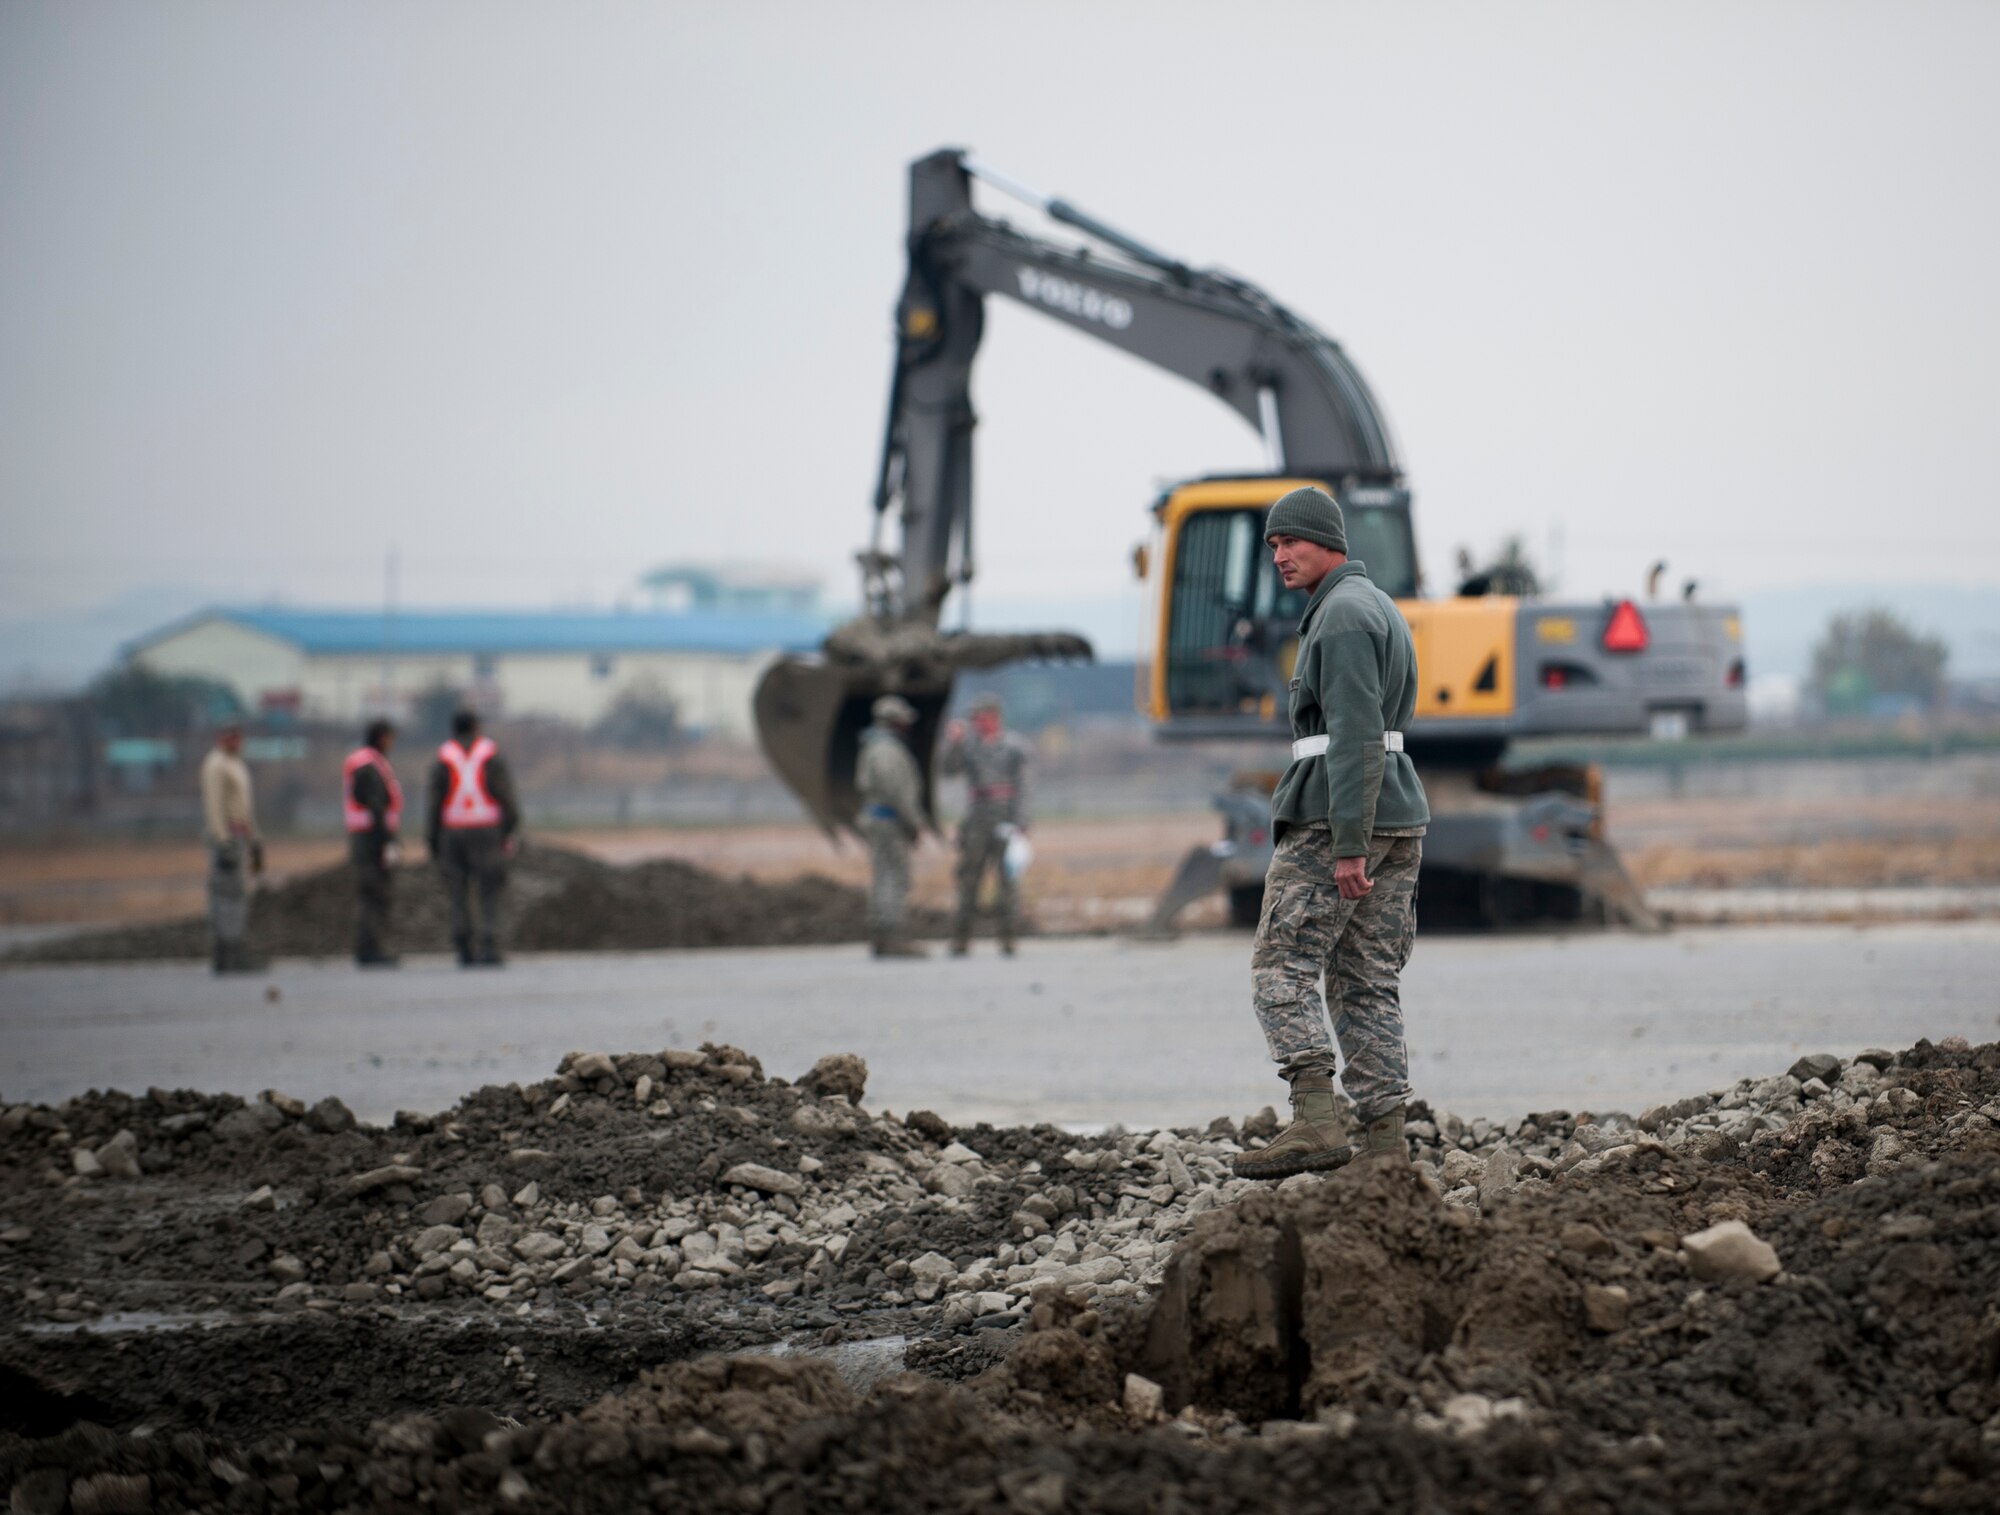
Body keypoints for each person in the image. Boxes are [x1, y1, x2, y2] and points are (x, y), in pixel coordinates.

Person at [1233, 485, 1430, 1180]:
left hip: (1336, 817)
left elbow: (1352, 736)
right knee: (1365, 979)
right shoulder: (1375, 606)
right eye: (1274, 545)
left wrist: (1348, 842)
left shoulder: (1342, 616)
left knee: (1279, 966)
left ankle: (1316, 1118)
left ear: (1328, 540)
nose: (1280, 555)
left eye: (1292, 541)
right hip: (1396, 813)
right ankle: (1385, 1149)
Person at [426, 710, 521, 967]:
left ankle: (463, 946)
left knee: (458, 890)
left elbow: (435, 800)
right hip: (487, 829)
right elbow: (504, 792)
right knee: (490, 889)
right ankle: (490, 944)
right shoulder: (489, 754)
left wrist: (432, 838)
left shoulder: (444, 756)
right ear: (476, 727)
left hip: (453, 830)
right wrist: (510, 828)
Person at [939, 692, 1029, 956]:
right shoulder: (969, 747)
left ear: (994, 718)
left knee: (1008, 882)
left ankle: (1008, 938)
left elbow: (1025, 785)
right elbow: (948, 770)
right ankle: (961, 938)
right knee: (968, 880)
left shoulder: (1014, 747)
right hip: (976, 819)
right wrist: (955, 743)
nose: (977, 724)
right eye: (975, 719)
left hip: (1005, 819)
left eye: (981, 718)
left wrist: (1021, 821)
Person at [855, 694, 929, 959]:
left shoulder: (877, 746)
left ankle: (882, 935)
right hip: (889, 822)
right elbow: (897, 792)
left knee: (883, 877)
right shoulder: (886, 751)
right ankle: (892, 935)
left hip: (881, 820)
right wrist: (914, 822)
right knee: (894, 878)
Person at [199, 720, 266, 974]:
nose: (236, 743)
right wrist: (222, 840)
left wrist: (255, 840)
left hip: (239, 835)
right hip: (226, 838)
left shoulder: (235, 764)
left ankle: (234, 953)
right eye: (231, 738)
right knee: (227, 899)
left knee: (236, 898)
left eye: (238, 738)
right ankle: (227, 956)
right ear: (221, 738)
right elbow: (214, 806)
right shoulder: (216, 765)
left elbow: (243, 808)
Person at [343, 718, 403, 967]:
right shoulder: (368, 766)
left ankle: (371, 947)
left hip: (366, 836)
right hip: (370, 838)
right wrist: (388, 841)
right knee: (374, 893)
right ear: (381, 737)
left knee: (373, 894)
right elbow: (376, 805)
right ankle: (370, 949)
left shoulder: (367, 762)